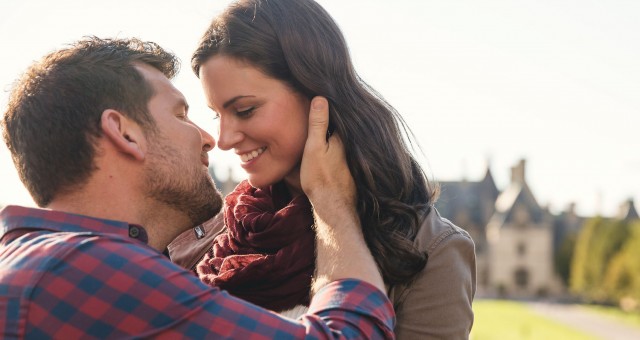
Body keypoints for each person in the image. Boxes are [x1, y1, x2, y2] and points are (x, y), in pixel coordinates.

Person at [0, 36, 395, 338]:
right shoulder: (89, 266)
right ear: (124, 133)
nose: (211, 139)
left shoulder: (34, 261)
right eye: (181, 114)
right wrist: (330, 200)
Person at [168, 0, 477, 338]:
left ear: (316, 93)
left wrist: (331, 205)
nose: (223, 139)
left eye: (245, 109)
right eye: (216, 114)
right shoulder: (220, 228)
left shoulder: (432, 249)